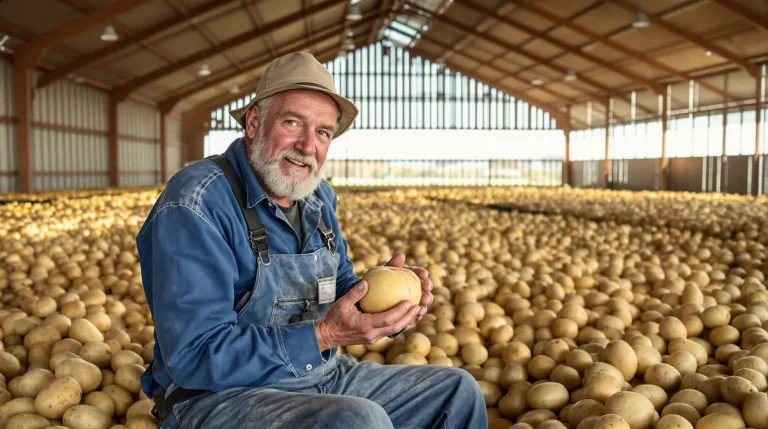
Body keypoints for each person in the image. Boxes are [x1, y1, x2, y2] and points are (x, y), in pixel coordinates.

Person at [136, 52, 487, 429]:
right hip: (217, 397)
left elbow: (340, 288)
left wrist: (385, 306)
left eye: (323, 132)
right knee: (358, 421)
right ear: (254, 121)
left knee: (457, 391)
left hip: (317, 377)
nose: (307, 146)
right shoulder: (196, 202)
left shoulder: (318, 198)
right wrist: (325, 334)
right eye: (292, 122)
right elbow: (195, 355)